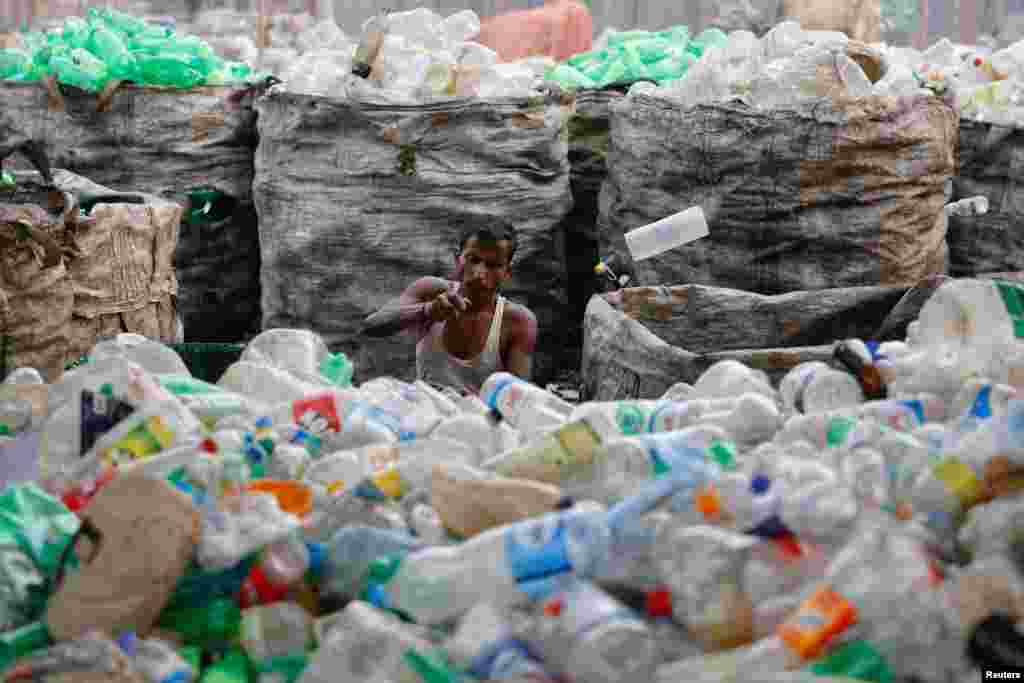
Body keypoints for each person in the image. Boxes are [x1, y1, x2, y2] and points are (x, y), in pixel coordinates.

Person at [361, 222, 538, 396]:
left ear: (507, 272)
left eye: (493, 265)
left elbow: (517, 400)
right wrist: (426, 310)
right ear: (458, 258)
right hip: (425, 415)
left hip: (479, 422)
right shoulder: (430, 291)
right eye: (473, 260)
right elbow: (372, 326)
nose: (479, 272)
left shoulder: (518, 321)